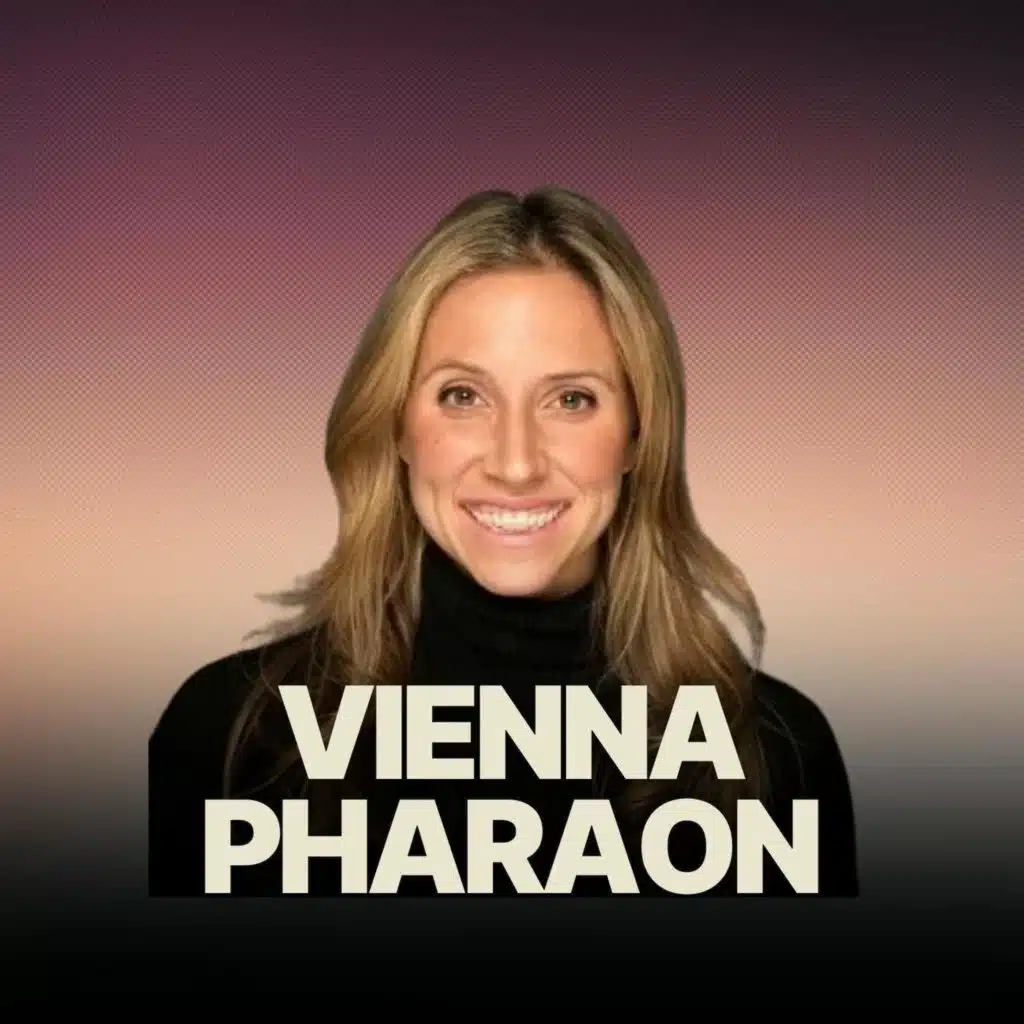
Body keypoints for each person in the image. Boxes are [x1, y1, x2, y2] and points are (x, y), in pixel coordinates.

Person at [149, 187, 859, 897]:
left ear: (638, 436)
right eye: (463, 396)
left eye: (571, 400)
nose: (515, 464)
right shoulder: (230, 739)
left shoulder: (774, 757)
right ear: (397, 425)